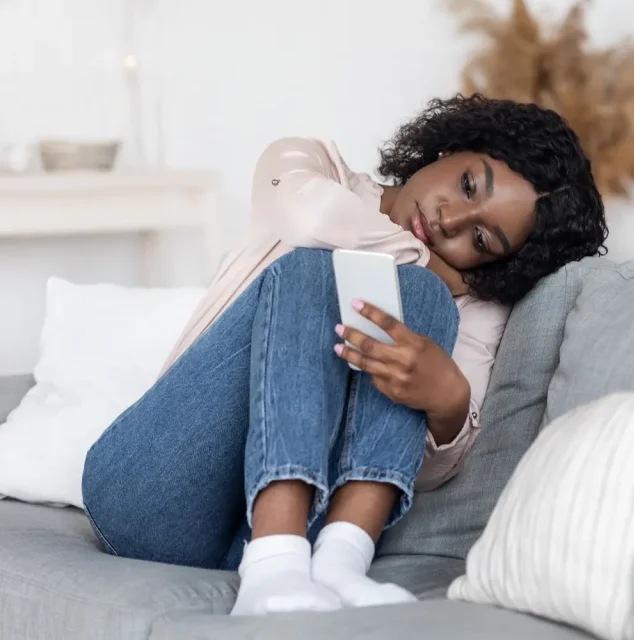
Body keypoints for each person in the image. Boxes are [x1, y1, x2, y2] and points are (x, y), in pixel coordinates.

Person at [80, 94, 607, 616]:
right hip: (153, 489)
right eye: (468, 185)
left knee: (421, 301)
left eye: (482, 239)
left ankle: (339, 561)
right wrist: (432, 271)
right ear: (453, 146)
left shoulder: (466, 304)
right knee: (335, 271)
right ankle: (276, 557)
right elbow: (312, 220)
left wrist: (447, 403)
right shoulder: (311, 163)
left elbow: (423, 470)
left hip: (296, 539)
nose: (451, 220)